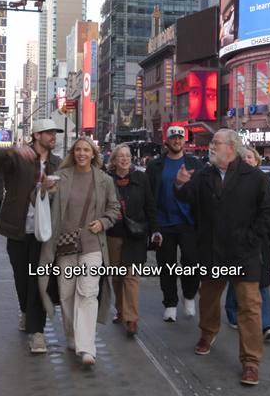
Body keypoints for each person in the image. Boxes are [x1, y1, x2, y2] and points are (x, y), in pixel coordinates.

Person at [174, 129, 270, 385]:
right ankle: (207, 334)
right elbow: (186, 197)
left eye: (215, 143)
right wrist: (180, 183)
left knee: (250, 307)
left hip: (244, 255)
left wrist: (250, 240)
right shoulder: (204, 175)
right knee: (208, 298)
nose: (211, 147)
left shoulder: (254, 178)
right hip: (212, 252)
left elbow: (268, 215)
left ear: (231, 147)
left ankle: (251, 361)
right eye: (212, 143)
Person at [39, 137, 120, 366]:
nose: (82, 154)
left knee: (88, 292)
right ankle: (73, 337)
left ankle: (87, 347)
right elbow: (43, 202)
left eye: (86, 150)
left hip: (93, 245)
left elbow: (114, 208)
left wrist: (103, 222)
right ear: (73, 153)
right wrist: (44, 190)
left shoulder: (104, 180)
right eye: (78, 150)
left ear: (93, 153)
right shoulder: (62, 177)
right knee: (66, 293)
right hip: (64, 245)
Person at [0, 118, 63, 353]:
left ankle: (37, 332)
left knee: (39, 280)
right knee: (22, 277)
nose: (53, 137)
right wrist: (12, 150)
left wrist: (51, 191)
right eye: (49, 133)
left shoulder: (57, 163)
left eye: (55, 133)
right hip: (18, 230)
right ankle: (25, 311)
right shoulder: (19, 158)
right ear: (36, 135)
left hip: (45, 233)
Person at [225, 146, 270, 340]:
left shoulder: (263, 181)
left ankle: (268, 324)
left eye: (250, 157)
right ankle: (232, 311)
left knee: (261, 283)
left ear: (256, 160)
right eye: (244, 157)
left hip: (259, 241)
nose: (247, 160)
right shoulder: (233, 181)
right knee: (238, 280)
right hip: (237, 240)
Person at [146, 126, 202, 322]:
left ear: (184, 141)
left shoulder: (195, 163)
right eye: (173, 138)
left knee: (191, 263)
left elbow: (202, 194)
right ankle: (170, 304)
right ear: (167, 142)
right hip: (163, 224)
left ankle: (189, 296)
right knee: (166, 266)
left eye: (180, 138)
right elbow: (149, 196)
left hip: (189, 223)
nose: (177, 141)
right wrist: (152, 226)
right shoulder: (155, 165)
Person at [106, 143, 160, 336]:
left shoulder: (141, 178)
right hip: (113, 234)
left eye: (127, 156)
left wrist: (155, 230)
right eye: (120, 156)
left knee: (131, 276)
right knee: (117, 276)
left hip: (136, 234)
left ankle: (131, 318)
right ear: (114, 160)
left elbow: (150, 205)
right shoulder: (107, 179)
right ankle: (121, 310)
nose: (125, 159)